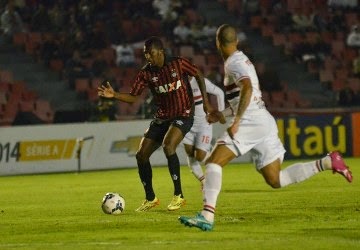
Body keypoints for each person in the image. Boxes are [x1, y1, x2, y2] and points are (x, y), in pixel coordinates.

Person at [178, 24, 353, 231]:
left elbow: (248, 88)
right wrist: (222, 114)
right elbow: (243, 96)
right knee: (276, 179)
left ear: (217, 43)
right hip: (263, 120)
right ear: (236, 41)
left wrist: (237, 121)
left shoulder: (233, 63)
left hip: (250, 121)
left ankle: (207, 215)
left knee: (214, 163)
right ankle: (327, 162)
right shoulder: (242, 59)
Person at [98, 36, 214, 212]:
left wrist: (205, 102)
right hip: (162, 117)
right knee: (141, 155)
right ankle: (150, 198)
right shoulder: (146, 73)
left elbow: (198, 74)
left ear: (161, 52)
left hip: (184, 114)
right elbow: (133, 96)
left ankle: (179, 196)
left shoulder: (178, 63)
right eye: (145, 54)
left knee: (169, 146)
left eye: (150, 53)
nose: (148, 57)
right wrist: (114, 95)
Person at [183, 76, 225, 186]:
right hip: (187, 124)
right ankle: (203, 181)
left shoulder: (200, 81)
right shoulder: (176, 84)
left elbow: (220, 92)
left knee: (200, 156)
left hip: (204, 124)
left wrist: (220, 114)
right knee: (190, 153)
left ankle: (214, 161)